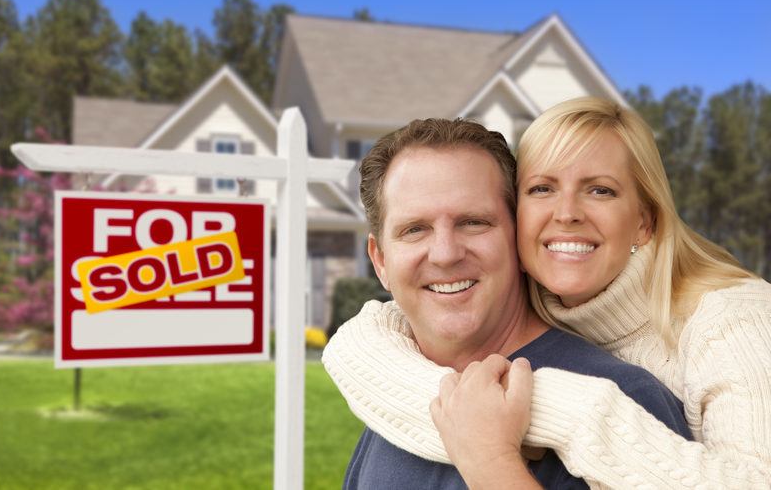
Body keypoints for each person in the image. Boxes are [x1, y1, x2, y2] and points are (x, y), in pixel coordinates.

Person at [323, 97, 771, 488]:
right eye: (414, 229)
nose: (444, 253)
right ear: (379, 260)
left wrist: (528, 434)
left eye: (473, 222)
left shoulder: (719, 331)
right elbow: (360, 344)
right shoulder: (396, 393)